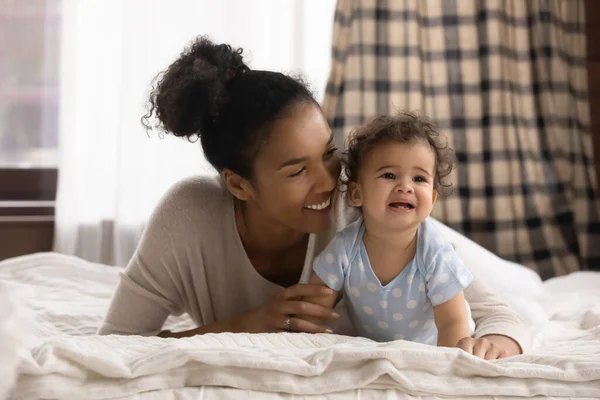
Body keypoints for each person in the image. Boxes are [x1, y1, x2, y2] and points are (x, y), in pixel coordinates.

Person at [98, 36, 529, 360]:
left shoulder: (362, 202)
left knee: (526, 288)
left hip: (423, 265)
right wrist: (247, 325)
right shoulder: (187, 216)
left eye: (327, 153)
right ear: (238, 185)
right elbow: (114, 346)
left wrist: (497, 343)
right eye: (297, 170)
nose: (328, 181)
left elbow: (503, 315)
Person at [302, 112, 478, 351]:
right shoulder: (345, 247)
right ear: (357, 194)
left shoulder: (435, 252)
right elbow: (315, 309)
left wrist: (447, 367)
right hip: (376, 345)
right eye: (389, 175)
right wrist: (304, 344)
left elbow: (452, 322)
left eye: (419, 178)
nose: (405, 187)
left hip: (433, 344)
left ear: (433, 199)